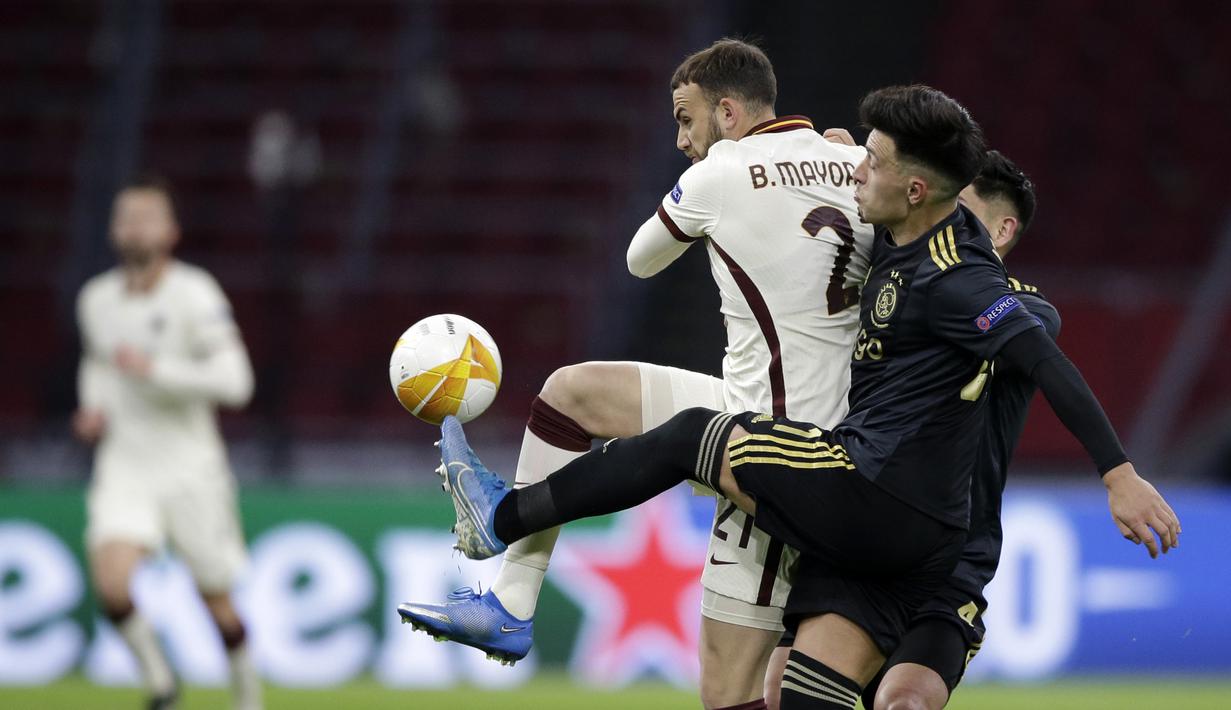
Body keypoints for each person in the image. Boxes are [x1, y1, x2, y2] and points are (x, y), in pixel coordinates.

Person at [428, 85, 1179, 710]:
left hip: (877, 497)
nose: (857, 171)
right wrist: (825, 159)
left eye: (871, 163)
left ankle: (499, 517)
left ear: (917, 189)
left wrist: (1117, 474)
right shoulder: (905, 241)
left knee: (696, 435)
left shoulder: (964, 281)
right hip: (895, 541)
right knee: (820, 699)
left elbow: (1040, 352)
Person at [398, 38, 873, 710]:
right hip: (767, 412)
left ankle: (503, 546)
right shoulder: (855, 162)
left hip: (786, 455)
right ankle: (509, 603)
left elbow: (639, 260)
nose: (681, 139)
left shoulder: (721, 170)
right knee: (572, 394)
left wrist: (718, 197)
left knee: (729, 693)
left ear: (729, 113)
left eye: (686, 118)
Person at [763, 149, 1054, 710]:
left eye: (961, 210)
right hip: (870, 529)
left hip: (954, 559)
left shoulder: (1027, 310)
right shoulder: (896, 283)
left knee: (903, 701)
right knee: (779, 693)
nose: (945, 220)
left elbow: (1016, 332)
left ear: (1002, 227)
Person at [73, 176, 262, 710]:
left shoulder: (195, 294)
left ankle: (247, 694)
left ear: (171, 231)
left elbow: (236, 383)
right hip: (124, 465)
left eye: (146, 216)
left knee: (217, 602)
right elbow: (96, 363)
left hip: (190, 468)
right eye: (124, 216)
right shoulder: (96, 300)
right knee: (111, 584)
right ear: (113, 230)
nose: (134, 225)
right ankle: (161, 686)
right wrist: (93, 409)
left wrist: (154, 369)